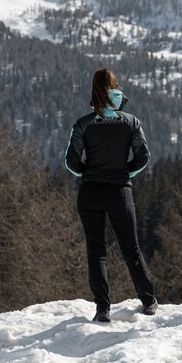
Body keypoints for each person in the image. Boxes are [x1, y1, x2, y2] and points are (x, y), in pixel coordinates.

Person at [64, 67, 158, 322]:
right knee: (131, 249)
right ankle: (148, 300)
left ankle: (102, 308)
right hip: (120, 191)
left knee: (96, 252)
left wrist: (87, 173)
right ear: (115, 89)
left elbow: (71, 160)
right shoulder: (130, 122)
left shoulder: (83, 123)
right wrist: (125, 172)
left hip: (91, 191)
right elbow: (143, 156)